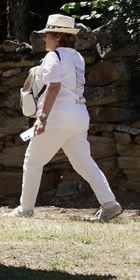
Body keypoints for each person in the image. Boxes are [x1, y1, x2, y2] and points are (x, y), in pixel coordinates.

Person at [15, 13, 123, 222]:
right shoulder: (77, 57)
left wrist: (42, 117)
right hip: (79, 115)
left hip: (58, 115)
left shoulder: (53, 56)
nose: (44, 38)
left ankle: (25, 209)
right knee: (84, 162)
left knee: (33, 161)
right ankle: (110, 204)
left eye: (47, 35)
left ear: (57, 37)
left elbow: (53, 86)